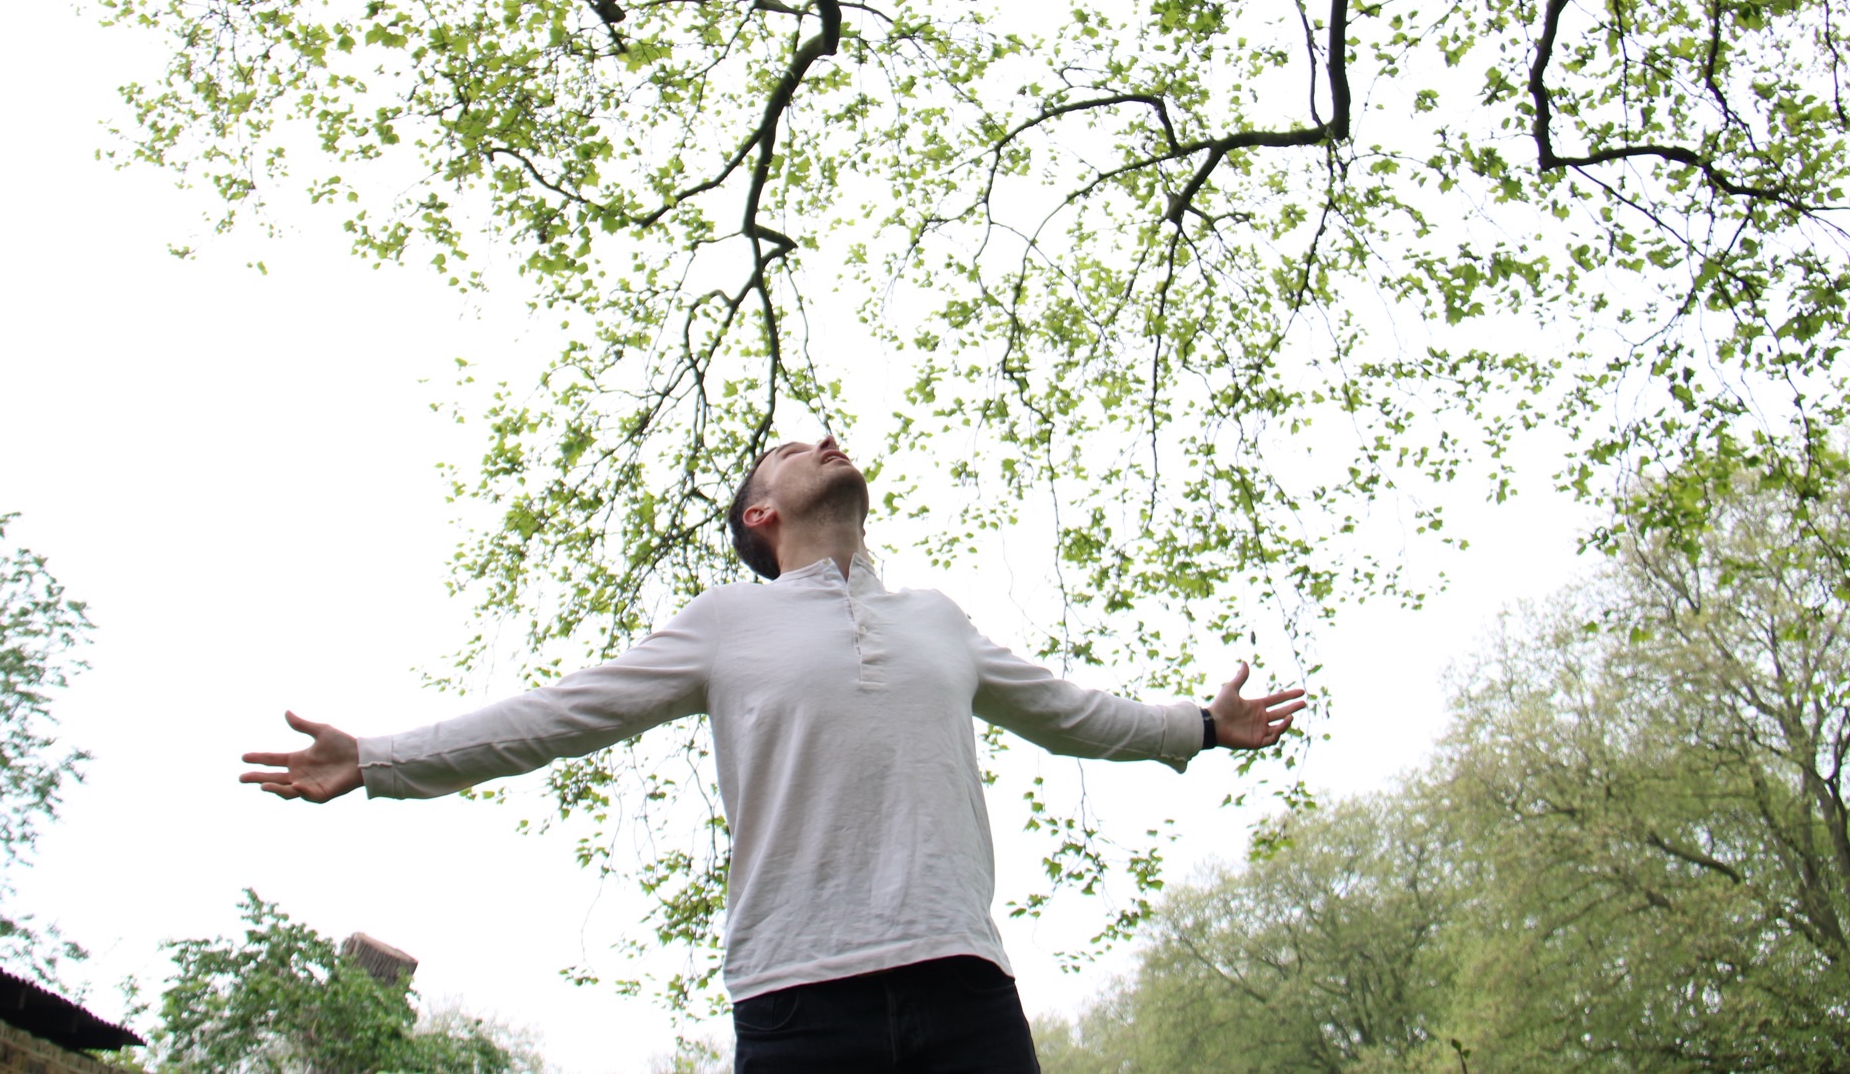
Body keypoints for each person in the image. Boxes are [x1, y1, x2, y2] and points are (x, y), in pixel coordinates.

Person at [242, 434, 1305, 1073]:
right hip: (797, 1002)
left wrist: (1201, 726)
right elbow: (552, 716)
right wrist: (376, 758)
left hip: (962, 988)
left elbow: (1076, 713)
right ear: (762, 513)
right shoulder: (723, 626)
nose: (824, 442)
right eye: (795, 450)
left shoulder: (938, 620)